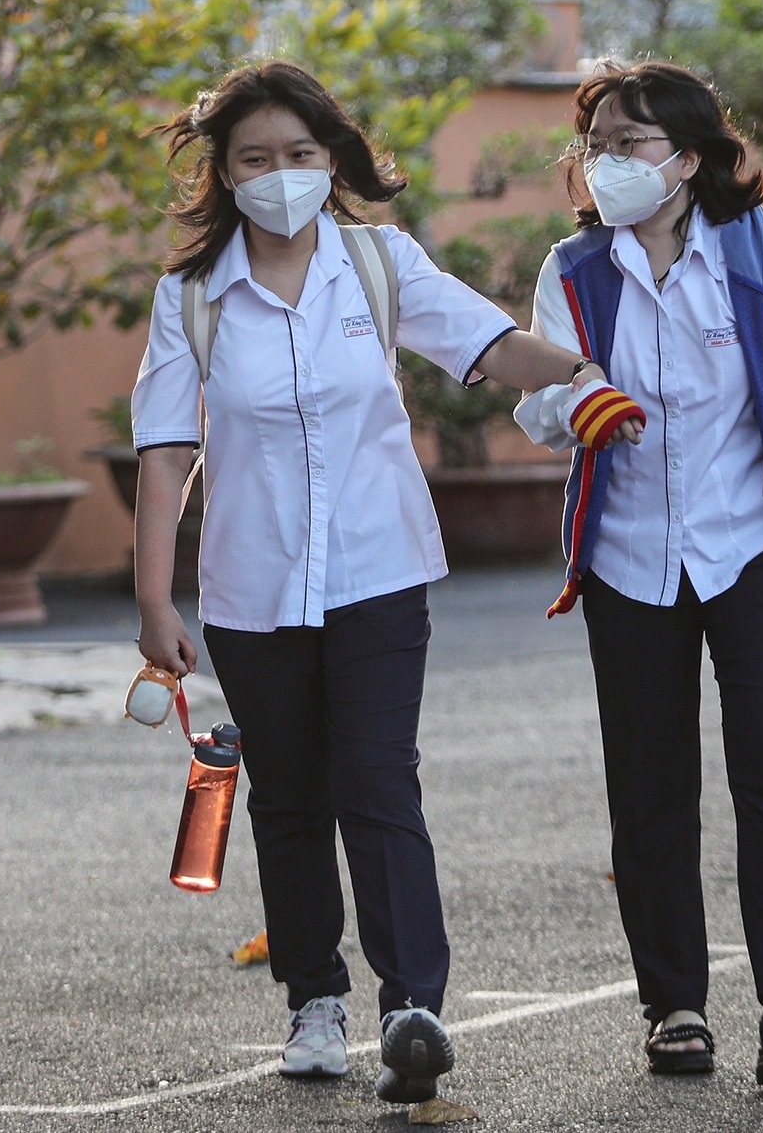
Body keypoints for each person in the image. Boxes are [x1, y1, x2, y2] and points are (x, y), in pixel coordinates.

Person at [130, 60, 598, 1105]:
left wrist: (589, 379)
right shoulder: (191, 297)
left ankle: (409, 1004)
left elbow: (488, 344)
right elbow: (165, 451)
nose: (280, 174)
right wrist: (153, 599)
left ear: (331, 159)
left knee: (379, 780)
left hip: (378, 571)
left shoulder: (377, 263)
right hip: (250, 590)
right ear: (224, 171)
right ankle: (312, 998)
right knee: (290, 794)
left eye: (299, 154)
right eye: (255, 157)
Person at [512, 60, 763, 1085]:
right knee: (649, 787)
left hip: (751, 550)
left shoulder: (761, 264)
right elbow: (531, 385)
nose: (606, 162)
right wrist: (575, 397)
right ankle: (672, 1004)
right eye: (594, 144)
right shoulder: (574, 270)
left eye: (626, 141)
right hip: (628, 559)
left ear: (686, 156)